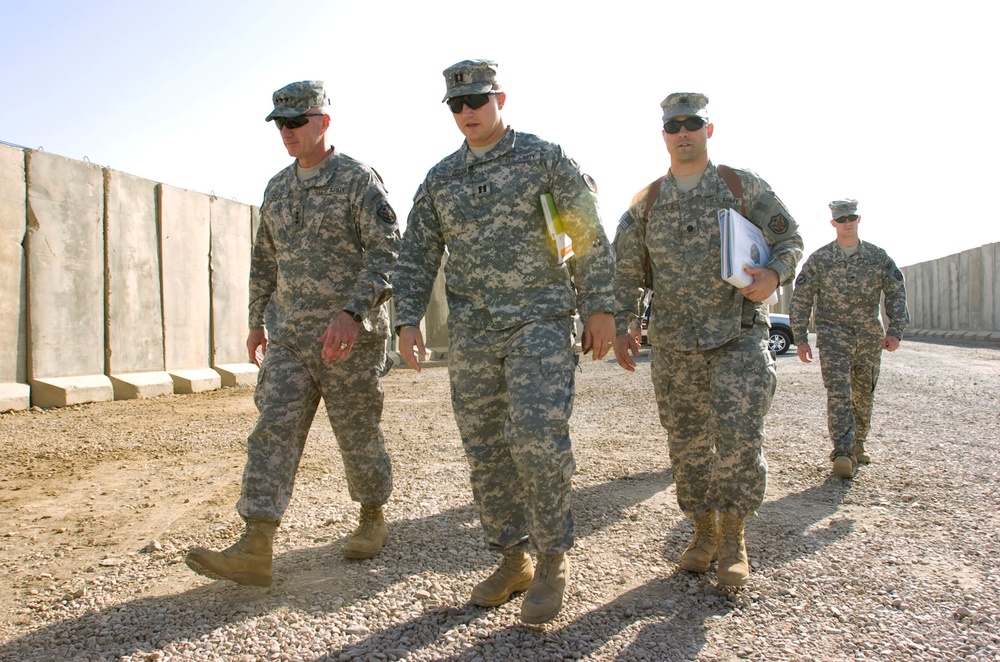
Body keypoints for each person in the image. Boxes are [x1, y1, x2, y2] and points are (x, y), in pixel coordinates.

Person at [393, 60, 616, 624]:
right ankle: (512, 556)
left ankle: (552, 560)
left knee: (539, 440)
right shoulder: (442, 178)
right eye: (457, 105)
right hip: (473, 331)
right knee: (487, 448)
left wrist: (600, 306)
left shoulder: (544, 158)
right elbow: (418, 252)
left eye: (478, 101)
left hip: (539, 319)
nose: (468, 113)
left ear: (501, 99)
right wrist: (407, 319)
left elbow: (585, 231)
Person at [185, 80, 400, 587]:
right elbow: (265, 259)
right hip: (290, 337)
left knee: (357, 432)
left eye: (296, 121)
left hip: (348, 338)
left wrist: (351, 312)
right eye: (280, 123)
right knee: (272, 430)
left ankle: (372, 515)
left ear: (324, 121)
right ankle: (256, 542)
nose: (287, 131)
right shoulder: (277, 187)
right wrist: (257, 319)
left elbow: (387, 254)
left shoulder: (357, 181)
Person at [611, 93, 803, 587]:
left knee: (739, 438)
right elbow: (626, 270)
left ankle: (734, 534)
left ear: (708, 130)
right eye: (673, 126)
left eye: (692, 124)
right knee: (688, 444)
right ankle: (702, 531)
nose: (683, 133)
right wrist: (623, 325)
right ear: (664, 136)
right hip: (675, 343)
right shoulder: (647, 201)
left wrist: (774, 274)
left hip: (737, 335)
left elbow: (789, 238)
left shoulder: (742, 187)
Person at [789, 199, 909, 479]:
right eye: (841, 219)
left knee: (863, 393)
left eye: (851, 217)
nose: (847, 222)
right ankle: (842, 452)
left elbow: (896, 290)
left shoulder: (877, 257)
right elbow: (802, 298)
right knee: (838, 394)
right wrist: (801, 337)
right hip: (833, 337)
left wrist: (896, 329)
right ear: (833, 223)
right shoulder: (819, 260)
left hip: (869, 336)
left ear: (858, 219)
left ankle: (859, 443)